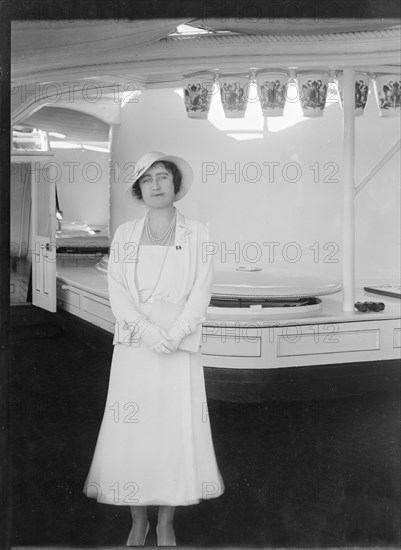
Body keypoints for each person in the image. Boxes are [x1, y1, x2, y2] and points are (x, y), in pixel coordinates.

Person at [83, 152, 224, 546]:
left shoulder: (198, 232)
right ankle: (138, 519)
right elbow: (118, 293)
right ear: (138, 188)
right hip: (135, 343)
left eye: (163, 177)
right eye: (148, 179)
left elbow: (201, 290)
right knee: (134, 431)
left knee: (171, 430)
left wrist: (176, 333)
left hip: (179, 344)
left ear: (176, 185)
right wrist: (146, 332)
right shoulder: (125, 234)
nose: (157, 185)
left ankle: (166, 521)